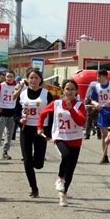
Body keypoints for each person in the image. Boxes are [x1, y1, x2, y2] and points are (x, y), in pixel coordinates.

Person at [37, 79, 86, 207]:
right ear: (63, 90)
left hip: (75, 138)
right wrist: (40, 127)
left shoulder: (79, 105)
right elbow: (42, 113)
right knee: (66, 156)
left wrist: (71, 109)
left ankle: (63, 193)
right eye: (67, 89)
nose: (70, 91)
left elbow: (81, 121)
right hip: (60, 137)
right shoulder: (56, 103)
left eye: (72, 89)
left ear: (76, 91)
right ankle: (60, 178)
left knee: (70, 170)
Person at [14, 69, 55, 198]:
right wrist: (20, 120)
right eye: (31, 78)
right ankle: (34, 188)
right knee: (27, 161)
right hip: (26, 130)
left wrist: (50, 132)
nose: (33, 80)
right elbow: (15, 114)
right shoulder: (22, 94)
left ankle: (36, 161)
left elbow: (53, 113)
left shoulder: (46, 94)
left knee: (38, 164)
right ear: (27, 79)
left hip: (41, 130)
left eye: (36, 78)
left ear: (40, 80)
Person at [89, 69, 110, 164]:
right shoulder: (96, 87)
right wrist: (96, 104)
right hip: (102, 110)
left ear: (104, 76)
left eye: (99, 76)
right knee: (104, 133)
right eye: (97, 76)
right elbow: (92, 99)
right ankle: (105, 155)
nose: (97, 78)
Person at [0, 70, 18, 160]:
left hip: (12, 113)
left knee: (9, 133)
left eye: (11, 77)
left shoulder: (17, 86)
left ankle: (5, 151)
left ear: (14, 77)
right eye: (7, 77)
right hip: (2, 112)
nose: (9, 78)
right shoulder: (1, 85)